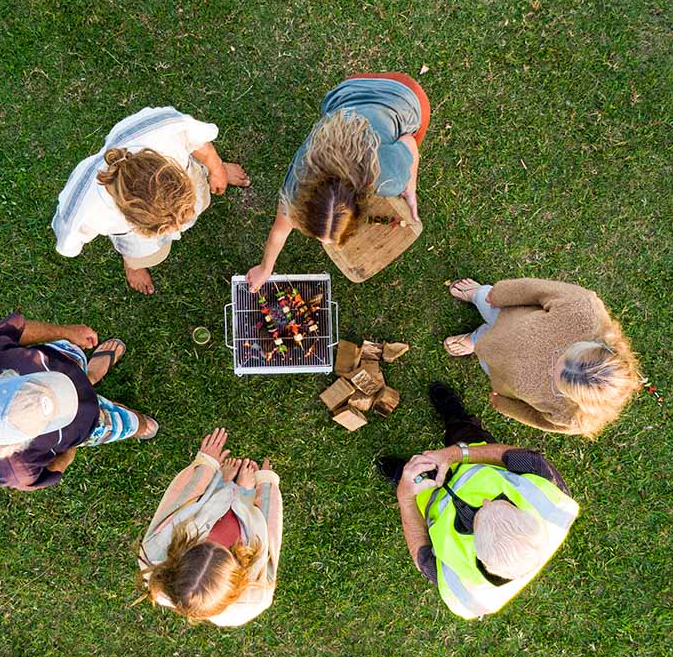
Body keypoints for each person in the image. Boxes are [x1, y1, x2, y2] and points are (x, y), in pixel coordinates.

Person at [377, 383, 579, 620]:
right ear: (526, 516)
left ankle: (402, 472)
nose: (485, 501)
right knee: (464, 432)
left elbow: (421, 553)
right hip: (473, 459)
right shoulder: (554, 504)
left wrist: (406, 495)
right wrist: (455, 454)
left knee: (409, 478)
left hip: (429, 496)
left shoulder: (463, 592)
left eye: (480, 515)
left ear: (479, 555)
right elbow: (515, 457)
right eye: (502, 502)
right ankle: (455, 418)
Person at [246, 73, 430, 291]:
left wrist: (410, 185)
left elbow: (409, 140)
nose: (326, 243)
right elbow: (279, 230)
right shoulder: (296, 184)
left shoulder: (389, 179)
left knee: (410, 133)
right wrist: (265, 268)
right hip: (348, 91)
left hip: (405, 96)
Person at [52, 106, 250, 295]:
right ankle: (133, 265)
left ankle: (206, 172)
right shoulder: (83, 211)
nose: (178, 228)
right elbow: (69, 245)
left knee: (202, 194)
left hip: (188, 173)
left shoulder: (164, 128)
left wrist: (216, 169)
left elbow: (197, 139)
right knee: (147, 255)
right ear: (133, 219)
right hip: (133, 236)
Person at [0, 313, 158, 490]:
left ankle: (91, 375)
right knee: (130, 423)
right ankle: (135, 424)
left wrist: (68, 333)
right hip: (88, 425)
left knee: (79, 369)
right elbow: (50, 472)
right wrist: (72, 446)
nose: (58, 396)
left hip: (63, 361)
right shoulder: (18, 471)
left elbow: (19, 330)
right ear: (18, 445)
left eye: (35, 383)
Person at [443, 278, 640, 436]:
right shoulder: (585, 311)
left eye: (556, 379)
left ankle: (477, 341)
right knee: (487, 301)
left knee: (485, 350)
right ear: (600, 345)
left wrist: (506, 406)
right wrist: (501, 293)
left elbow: (537, 418)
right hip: (507, 315)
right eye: (563, 353)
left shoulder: (573, 417)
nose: (552, 366)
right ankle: (478, 295)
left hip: (499, 368)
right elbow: (540, 290)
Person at [135, 428, 282, 627]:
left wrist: (206, 465)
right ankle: (242, 494)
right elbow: (270, 535)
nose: (213, 540)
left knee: (202, 506)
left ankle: (222, 485)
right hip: (243, 526)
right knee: (245, 521)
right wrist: (266, 485)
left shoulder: (153, 554)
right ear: (237, 582)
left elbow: (179, 500)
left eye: (203, 542)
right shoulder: (256, 596)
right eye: (222, 548)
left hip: (205, 511)